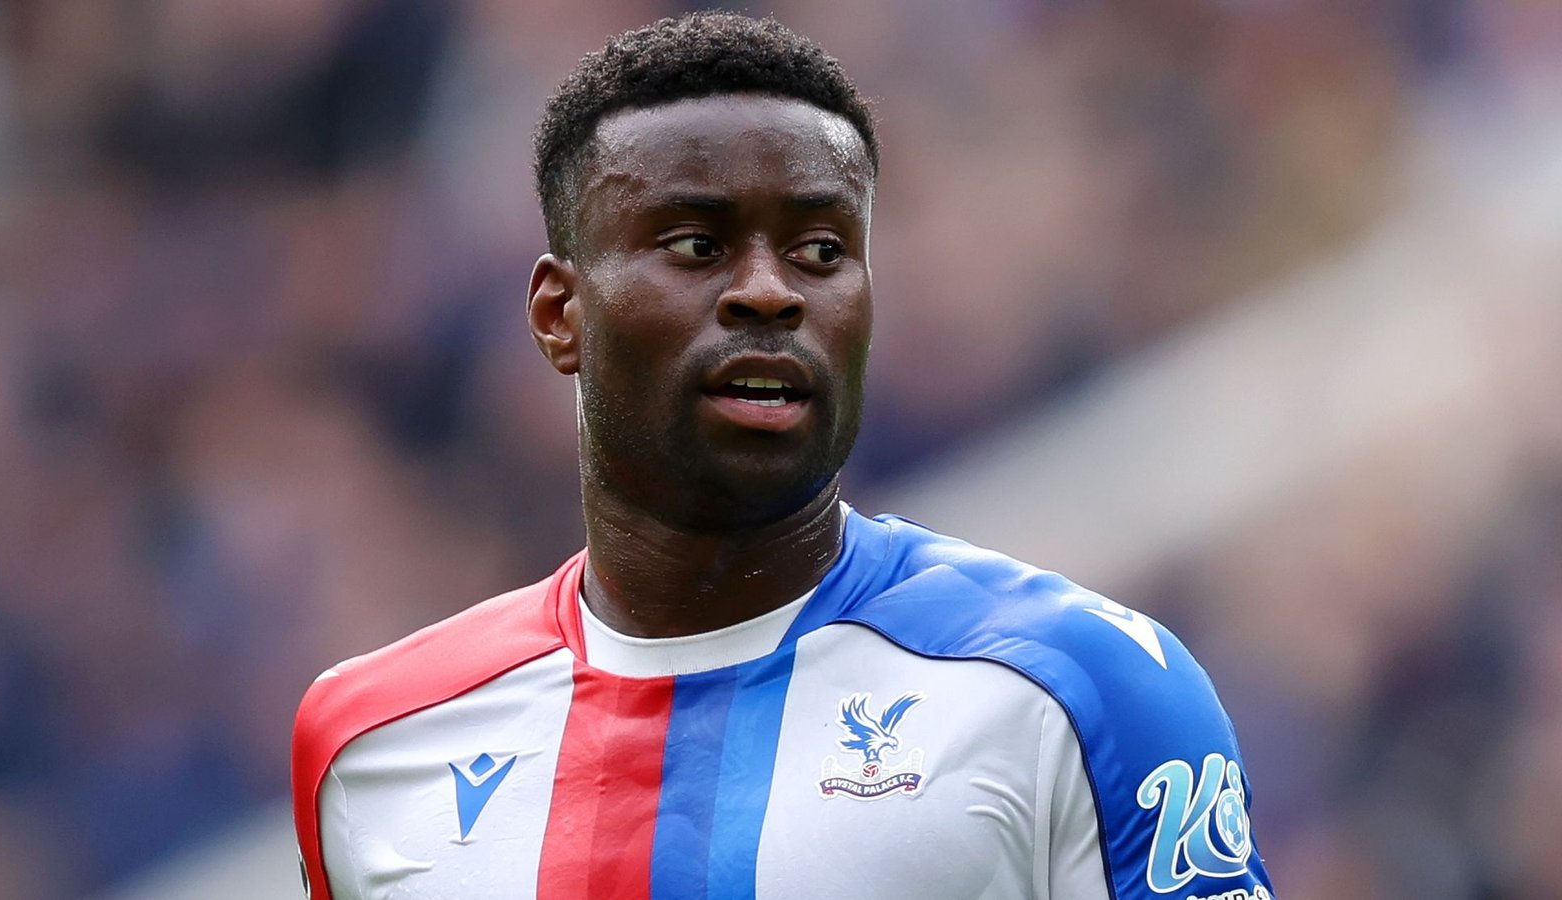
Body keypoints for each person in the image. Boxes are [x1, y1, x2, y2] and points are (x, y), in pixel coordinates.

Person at [291, 12, 1275, 900]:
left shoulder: (1079, 688)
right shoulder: (372, 744)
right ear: (561, 315)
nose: (769, 292)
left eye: (818, 251)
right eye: (692, 245)